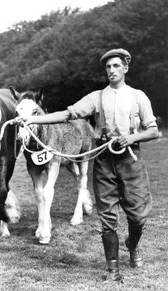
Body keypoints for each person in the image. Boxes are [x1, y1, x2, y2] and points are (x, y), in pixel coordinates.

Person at [18, 49, 158, 282]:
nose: (111, 70)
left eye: (116, 66)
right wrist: (32, 118)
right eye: (108, 67)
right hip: (103, 159)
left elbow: (152, 130)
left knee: (138, 216)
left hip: (131, 159)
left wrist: (131, 138)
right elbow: (66, 114)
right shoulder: (96, 97)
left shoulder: (138, 97)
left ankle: (132, 245)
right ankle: (112, 271)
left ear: (126, 68)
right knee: (108, 218)